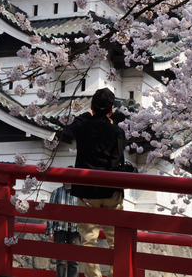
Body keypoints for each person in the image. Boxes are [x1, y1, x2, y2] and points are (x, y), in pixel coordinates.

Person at [65, 88, 127, 277]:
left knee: (88, 241)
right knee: (116, 241)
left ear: (91, 106)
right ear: (111, 109)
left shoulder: (82, 127)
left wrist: (90, 115)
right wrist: (111, 121)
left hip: (87, 191)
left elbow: (74, 123)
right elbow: (120, 150)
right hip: (111, 191)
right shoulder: (117, 131)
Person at [45, 176, 80, 277]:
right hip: (59, 229)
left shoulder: (79, 193)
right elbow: (50, 213)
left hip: (75, 229)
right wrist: (50, 231)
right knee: (61, 261)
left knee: (75, 260)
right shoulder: (56, 192)